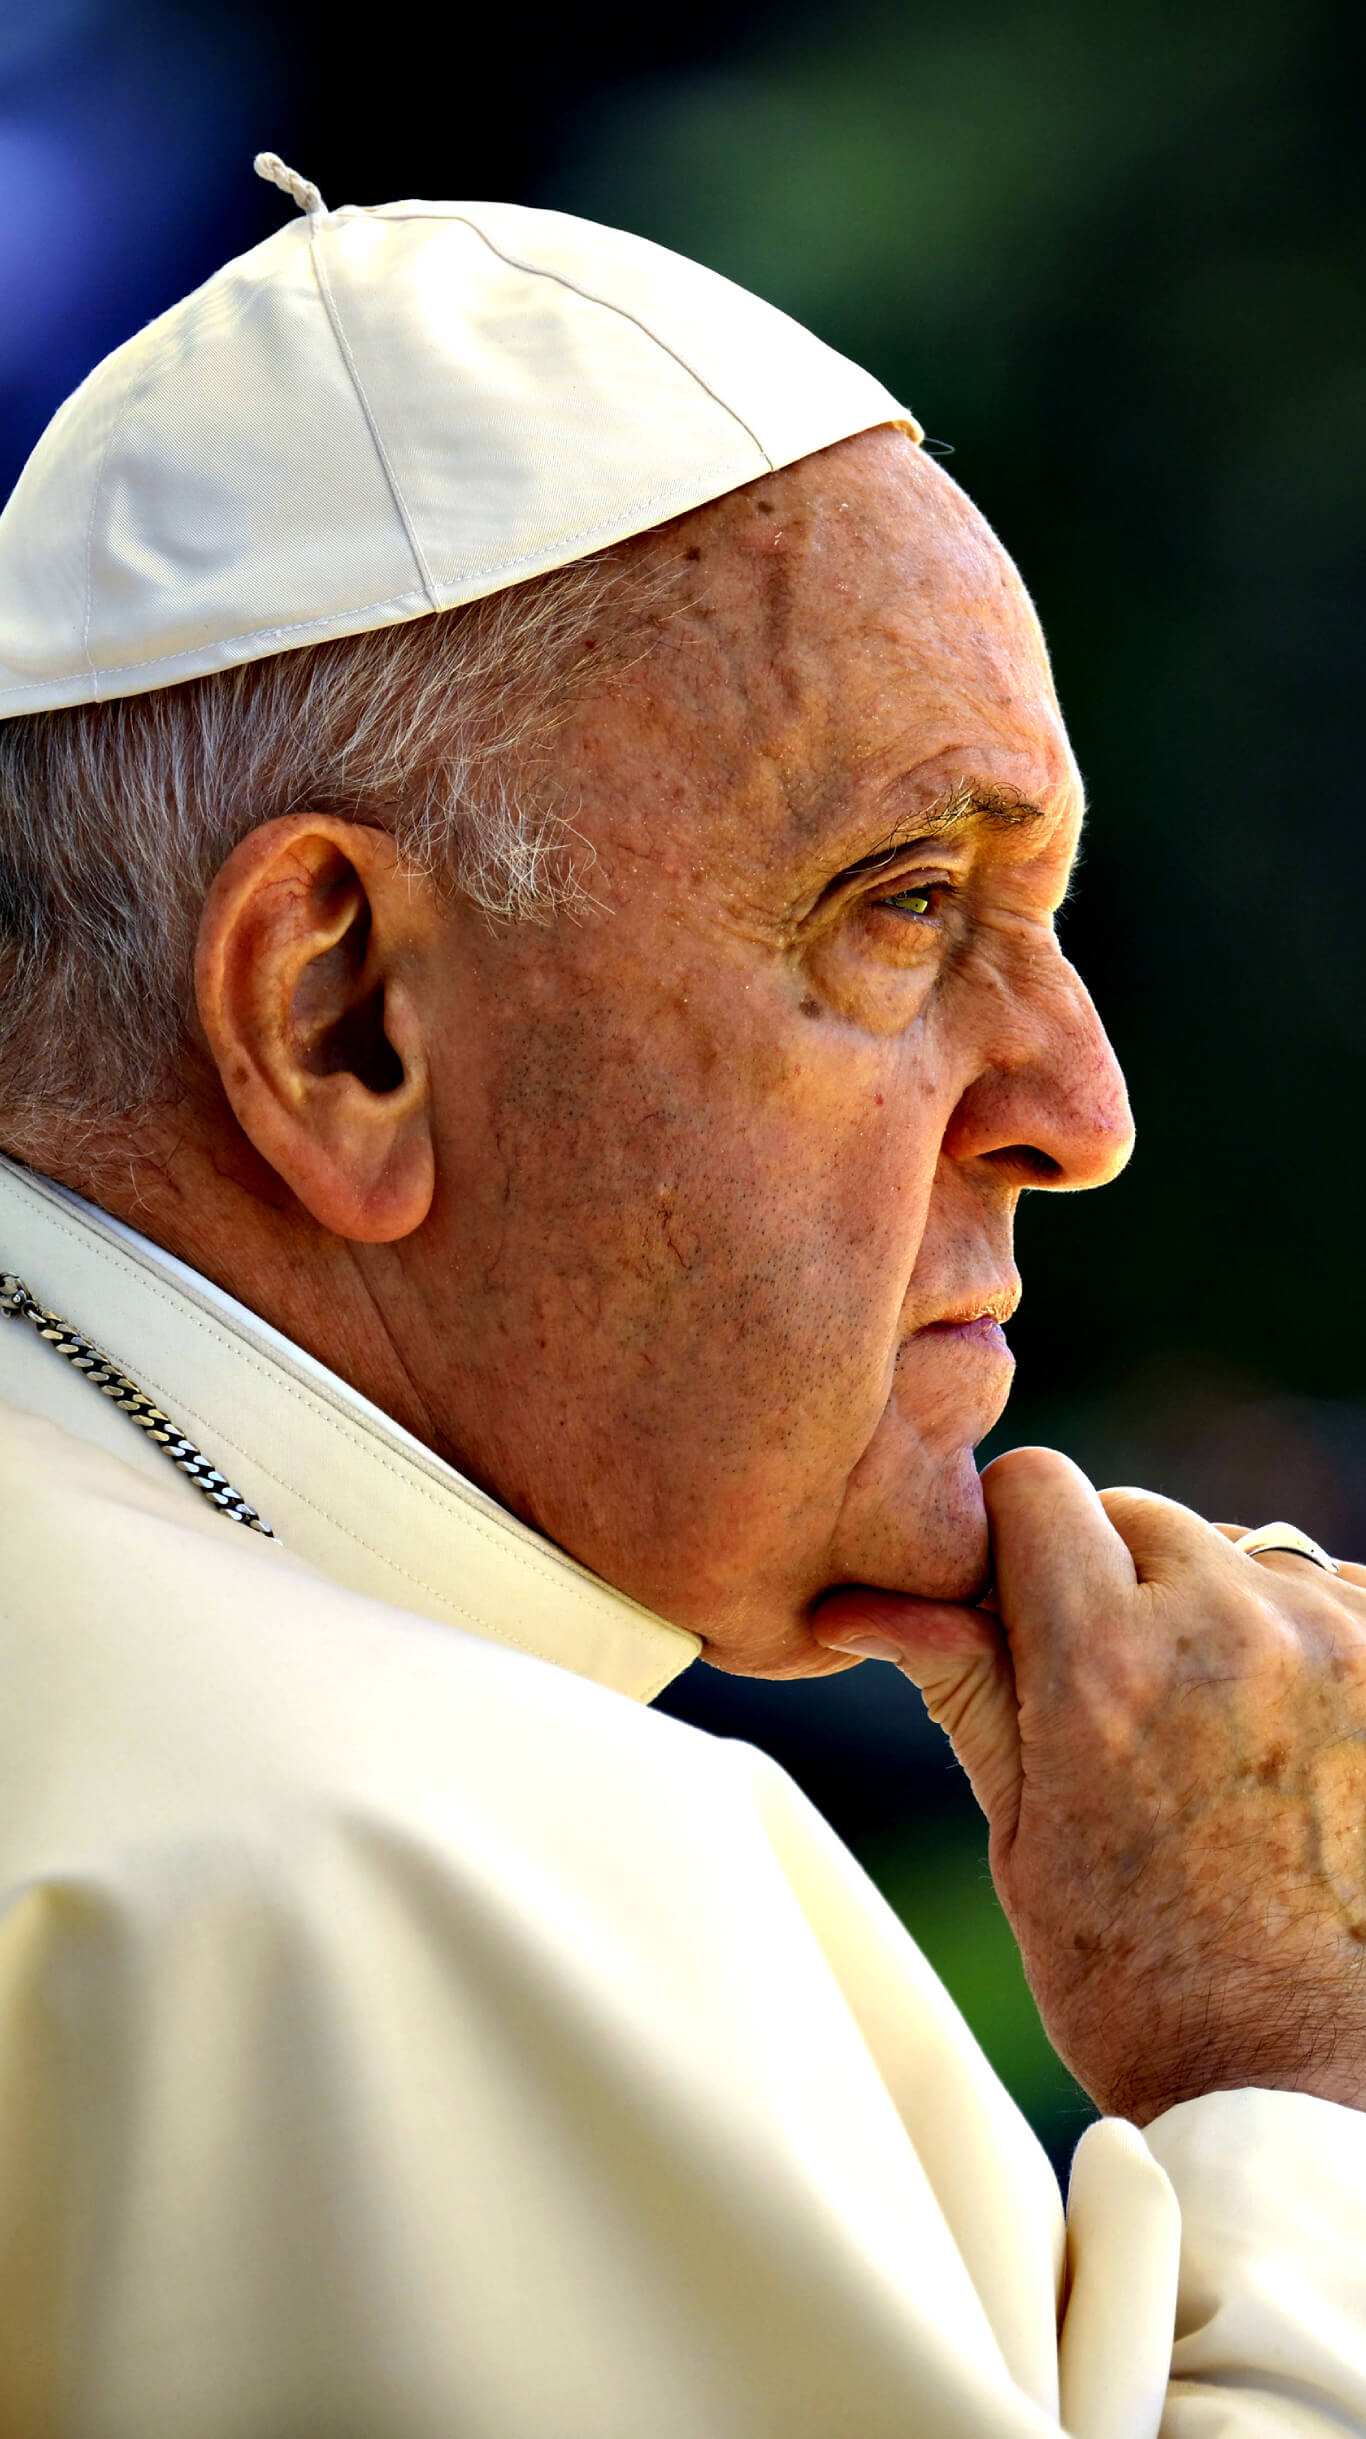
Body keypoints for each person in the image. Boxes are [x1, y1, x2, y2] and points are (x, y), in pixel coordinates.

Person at [0, 157, 1363, 2437]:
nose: (1075, 1100)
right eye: (907, 901)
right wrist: (1300, 2062)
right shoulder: (423, 1879)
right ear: (344, 1019)